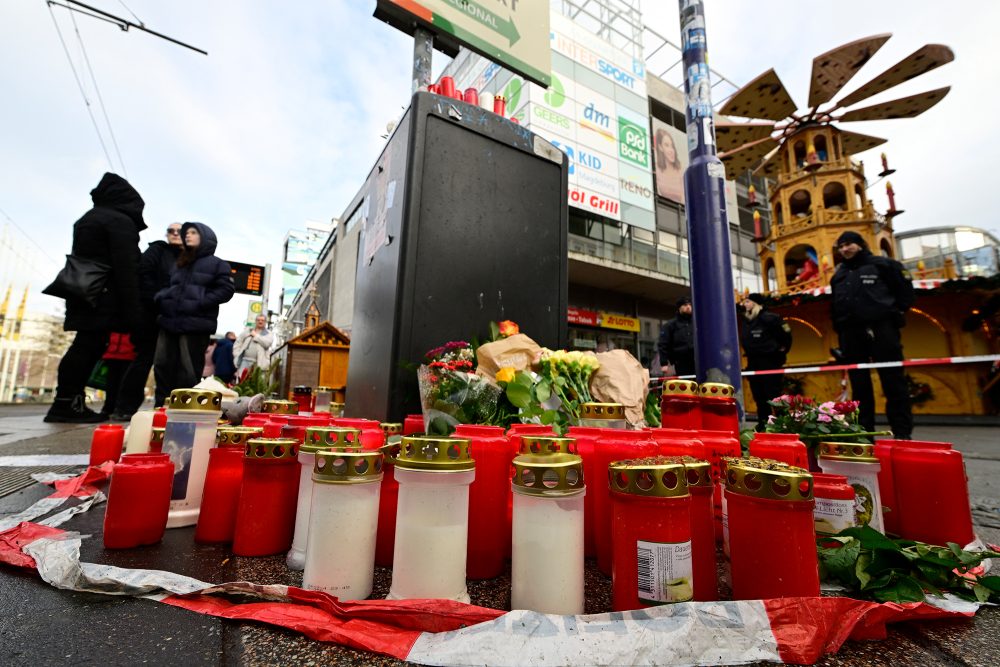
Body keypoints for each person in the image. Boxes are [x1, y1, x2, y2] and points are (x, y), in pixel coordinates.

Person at [45, 173, 145, 423]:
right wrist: (134, 312)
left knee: (84, 345)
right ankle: (68, 403)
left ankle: (67, 399)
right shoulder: (119, 222)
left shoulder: (89, 218)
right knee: (87, 347)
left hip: (83, 289)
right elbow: (126, 268)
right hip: (105, 295)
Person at [830, 230, 915, 439]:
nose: (844, 249)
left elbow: (905, 292)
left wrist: (893, 314)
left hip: (881, 329)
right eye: (841, 246)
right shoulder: (839, 274)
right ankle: (864, 433)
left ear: (860, 244)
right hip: (851, 333)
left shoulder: (883, 265)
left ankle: (902, 433)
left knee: (893, 382)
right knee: (860, 387)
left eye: (848, 244)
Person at [153, 222, 235, 397]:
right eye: (186, 233)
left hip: (195, 324)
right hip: (169, 322)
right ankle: (161, 407)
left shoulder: (217, 264)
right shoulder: (180, 263)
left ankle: (185, 410)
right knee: (162, 365)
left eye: (192, 232)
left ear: (205, 237)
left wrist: (200, 302)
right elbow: (169, 286)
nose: (187, 235)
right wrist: (162, 298)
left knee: (188, 369)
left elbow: (226, 290)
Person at [111, 223, 183, 414]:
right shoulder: (157, 250)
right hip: (152, 314)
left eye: (179, 231)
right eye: (171, 231)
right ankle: (125, 406)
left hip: (173, 317)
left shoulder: (188, 258)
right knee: (144, 360)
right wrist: (157, 299)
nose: (175, 234)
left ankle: (163, 406)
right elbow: (144, 276)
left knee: (168, 363)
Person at [740, 293, 792, 430]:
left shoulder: (771, 318)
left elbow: (786, 336)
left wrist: (779, 352)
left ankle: (782, 425)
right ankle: (763, 425)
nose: (744, 305)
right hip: (753, 363)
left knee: (774, 396)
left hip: (770, 362)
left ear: (756, 303)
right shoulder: (747, 321)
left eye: (747, 302)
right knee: (759, 397)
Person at [100, 332, 137, 421]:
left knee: (124, 384)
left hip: (128, 354)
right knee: (111, 384)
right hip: (111, 354)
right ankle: (109, 408)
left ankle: (120, 408)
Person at [658, 296, 695, 377]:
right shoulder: (670, 325)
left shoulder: (696, 322)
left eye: (690, 305)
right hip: (681, 362)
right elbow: (663, 344)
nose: (688, 307)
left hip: (697, 359)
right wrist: (664, 363)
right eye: (685, 305)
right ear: (679, 307)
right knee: (687, 385)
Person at [654, 127, 684, 203]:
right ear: (660, 147)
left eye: (672, 146)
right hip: (664, 209)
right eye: (667, 145)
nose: (671, 150)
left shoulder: (680, 169)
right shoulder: (657, 169)